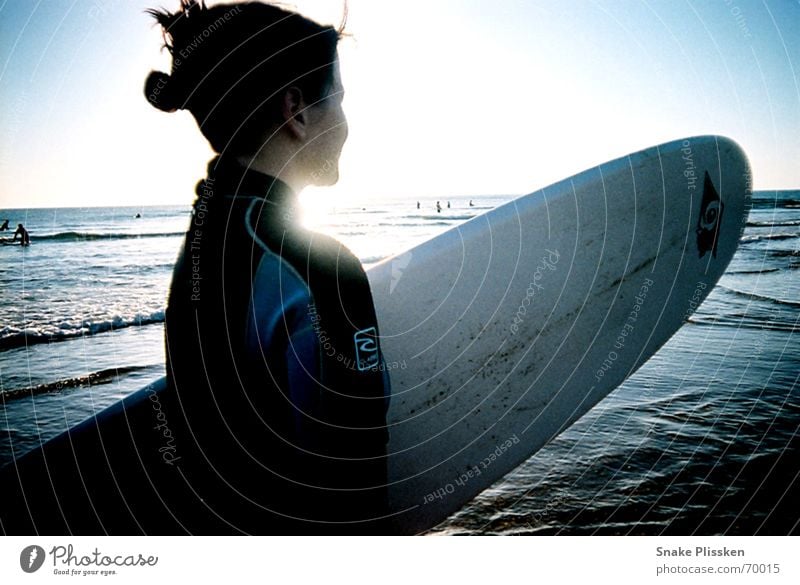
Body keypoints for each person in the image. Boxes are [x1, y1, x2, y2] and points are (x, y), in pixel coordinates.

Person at [144, 1, 389, 534]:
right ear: (296, 111)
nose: (346, 123)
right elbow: (355, 485)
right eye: (339, 101)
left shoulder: (201, 249)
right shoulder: (321, 272)